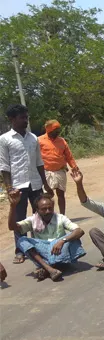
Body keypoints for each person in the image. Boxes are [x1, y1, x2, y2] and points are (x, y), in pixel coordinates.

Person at [0, 104, 53, 264]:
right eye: (22, 118)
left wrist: (46, 184)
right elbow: (4, 166)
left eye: (26, 117)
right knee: (19, 219)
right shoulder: (4, 139)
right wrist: (9, 188)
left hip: (35, 184)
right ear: (12, 119)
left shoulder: (33, 138)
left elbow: (39, 162)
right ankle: (20, 250)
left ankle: (40, 245)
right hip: (18, 186)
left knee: (41, 216)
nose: (25, 120)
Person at [7, 191, 85, 282]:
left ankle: (46, 267)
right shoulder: (32, 220)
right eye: (44, 209)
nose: (48, 211)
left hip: (59, 249)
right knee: (21, 240)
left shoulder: (60, 218)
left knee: (73, 236)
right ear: (37, 209)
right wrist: (12, 206)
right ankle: (50, 268)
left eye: (50, 208)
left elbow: (79, 231)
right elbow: (12, 227)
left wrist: (62, 241)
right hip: (43, 250)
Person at [38, 120, 78, 215]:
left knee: (61, 194)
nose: (58, 132)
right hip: (46, 172)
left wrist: (74, 166)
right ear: (49, 130)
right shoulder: (39, 140)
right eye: (56, 130)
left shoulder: (62, 141)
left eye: (58, 129)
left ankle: (62, 216)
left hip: (60, 171)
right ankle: (48, 216)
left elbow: (69, 156)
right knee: (47, 196)